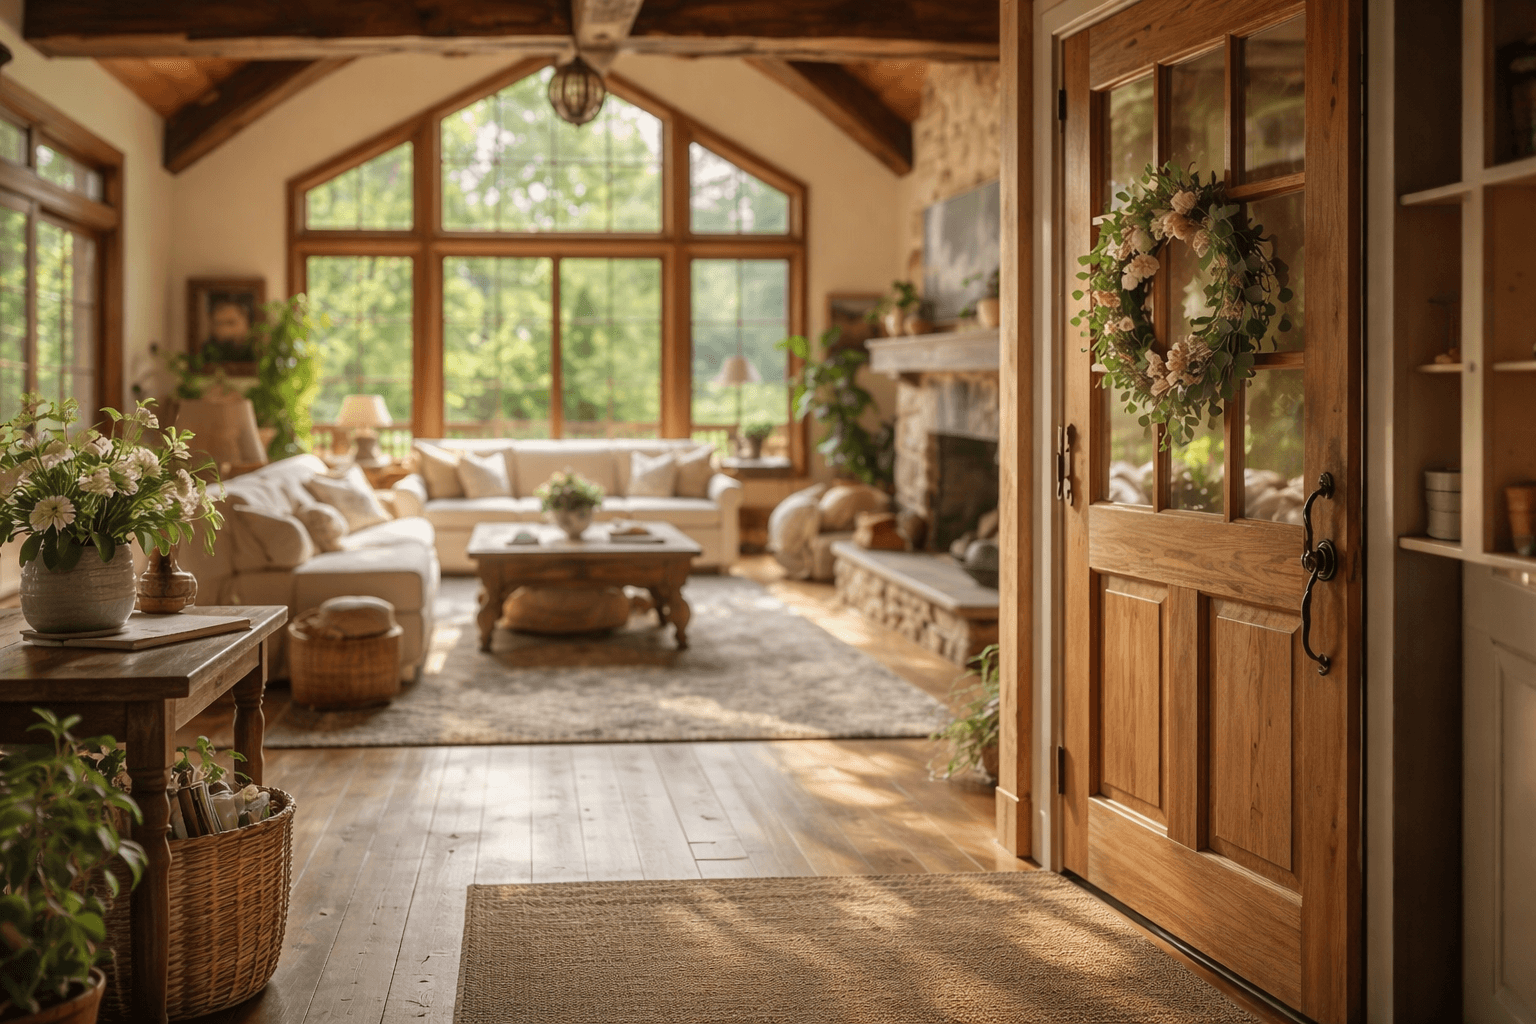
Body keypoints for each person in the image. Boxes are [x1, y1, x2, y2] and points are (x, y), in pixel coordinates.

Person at [201, 295, 256, 363]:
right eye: (218, 324)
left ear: (246, 322)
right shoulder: (206, 351)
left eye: (231, 323)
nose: (224, 330)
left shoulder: (257, 349)